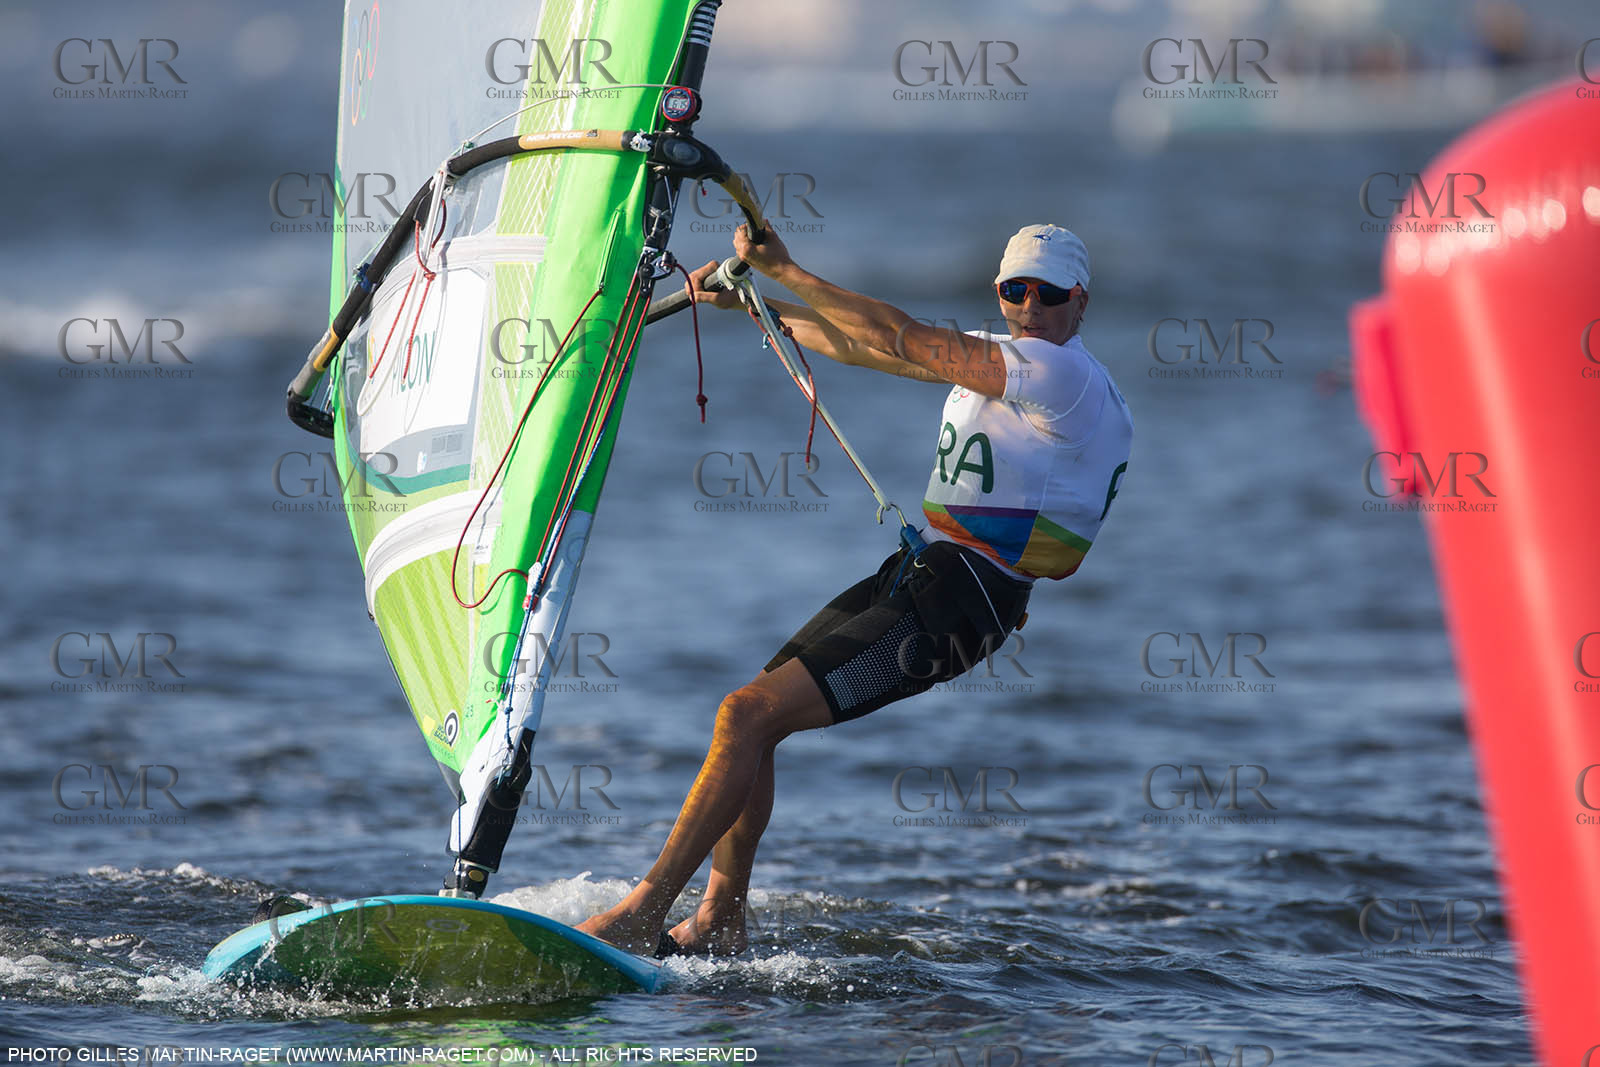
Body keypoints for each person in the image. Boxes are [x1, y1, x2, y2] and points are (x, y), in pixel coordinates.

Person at [577, 222, 1133, 957]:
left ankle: (645, 909)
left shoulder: (1064, 376)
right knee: (753, 714)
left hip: (964, 604)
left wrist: (788, 270)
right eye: (1014, 290)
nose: (1030, 306)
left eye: (1048, 294)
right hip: (926, 572)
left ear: (1080, 302)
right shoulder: (1005, 358)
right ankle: (720, 917)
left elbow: (901, 333)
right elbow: (873, 346)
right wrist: (754, 306)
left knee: (745, 715)